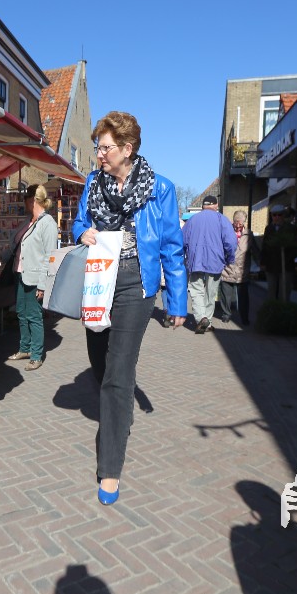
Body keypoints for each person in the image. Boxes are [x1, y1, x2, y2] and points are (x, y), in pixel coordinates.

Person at [72, 111, 186, 506]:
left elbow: (171, 246)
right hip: (98, 281)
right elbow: (78, 223)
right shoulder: (93, 183)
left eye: (105, 147)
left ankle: (110, 467)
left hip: (137, 284)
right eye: (98, 147)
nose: (99, 154)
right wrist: (82, 232)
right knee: (99, 363)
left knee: (118, 373)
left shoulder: (160, 188)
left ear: (127, 149)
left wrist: (177, 302)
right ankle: (119, 406)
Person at [5, 184, 58, 371]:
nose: (23, 203)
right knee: (21, 312)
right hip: (20, 274)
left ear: (33, 200)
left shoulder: (47, 223)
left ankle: (36, 355)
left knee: (34, 316)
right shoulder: (29, 221)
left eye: (26, 199)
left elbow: (50, 256)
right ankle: (24, 348)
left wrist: (43, 284)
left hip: (35, 277)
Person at [181, 195, 236, 334]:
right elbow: (231, 242)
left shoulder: (192, 220)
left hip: (196, 260)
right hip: (215, 261)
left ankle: (201, 317)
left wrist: (183, 257)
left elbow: (182, 240)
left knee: (196, 290)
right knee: (211, 292)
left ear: (202, 206)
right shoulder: (222, 219)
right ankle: (208, 321)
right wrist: (230, 258)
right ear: (216, 205)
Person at [261, 203, 297, 302]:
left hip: (286, 265)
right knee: (271, 290)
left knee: (284, 292)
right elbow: (264, 246)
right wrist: (263, 262)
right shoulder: (269, 228)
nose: (277, 217)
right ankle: (272, 309)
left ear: (283, 215)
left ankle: (283, 309)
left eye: (279, 215)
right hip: (271, 265)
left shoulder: (291, 228)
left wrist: (289, 258)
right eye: (274, 215)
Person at [219, 210, 252, 325]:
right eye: (236, 222)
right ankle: (226, 314)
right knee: (226, 296)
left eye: (240, 223)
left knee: (243, 297)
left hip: (242, 271)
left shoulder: (248, 235)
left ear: (244, 222)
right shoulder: (226, 232)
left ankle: (244, 318)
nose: (238, 225)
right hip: (227, 269)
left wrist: (261, 262)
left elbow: (254, 249)